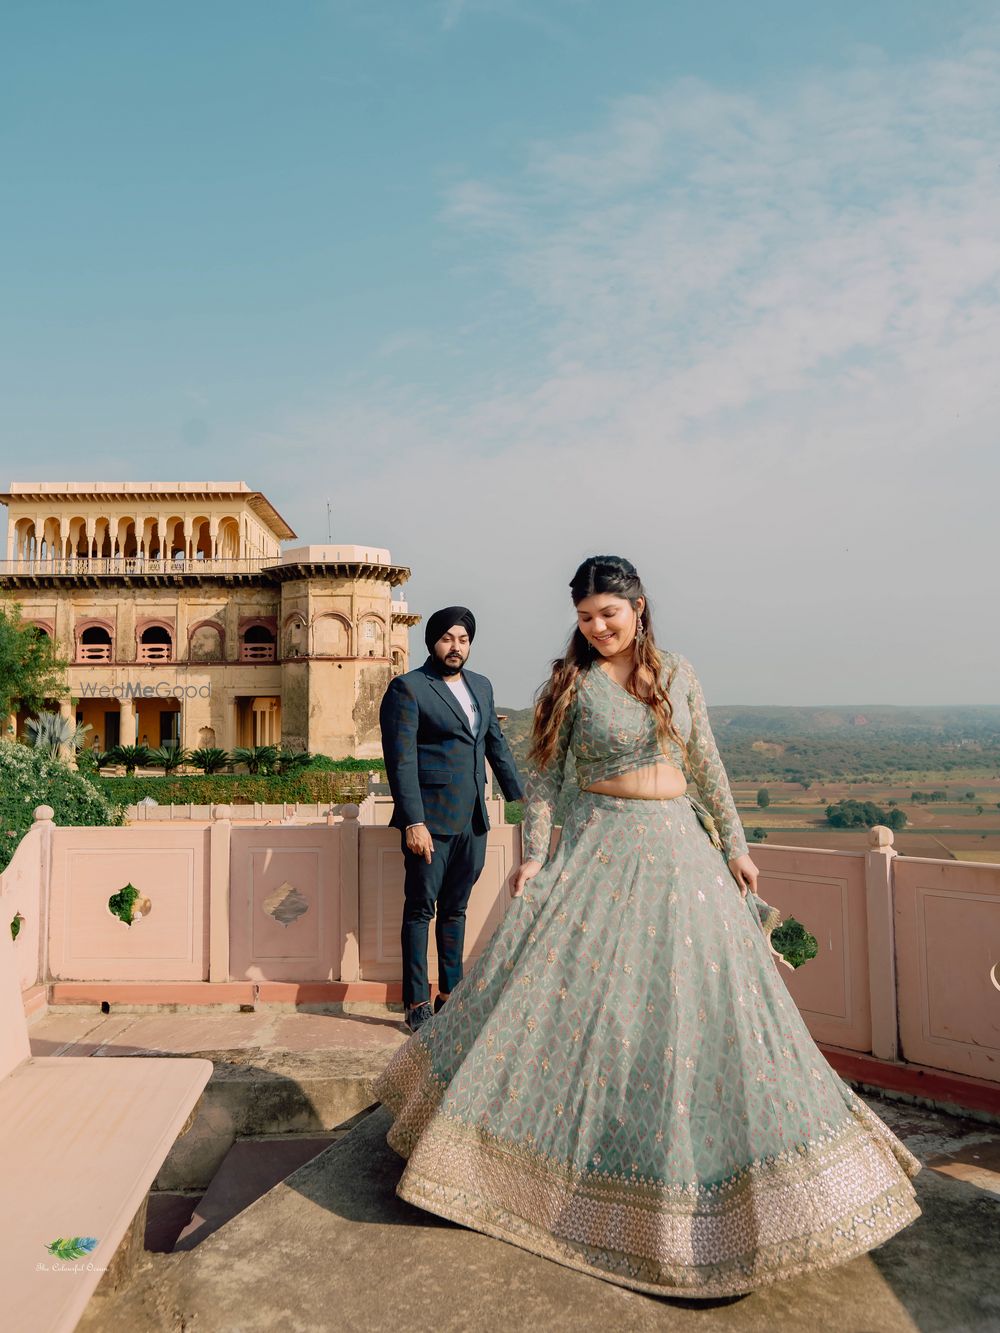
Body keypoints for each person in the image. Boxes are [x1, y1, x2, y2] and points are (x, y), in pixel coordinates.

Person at [374, 557, 920, 1297]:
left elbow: (707, 765)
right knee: (581, 1011)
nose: (599, 627)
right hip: (602, 847)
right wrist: (535, 858)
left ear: (638, 606)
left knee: (704, 1015)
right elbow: (543, 783)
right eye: (587, 615)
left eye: (610, 612)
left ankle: (721, 1207)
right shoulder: (572, 685)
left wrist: (736, 847)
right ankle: (511, 1170)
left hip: (681, 855)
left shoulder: (678, 674)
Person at [380, 606, 525, 1034]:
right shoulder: (408, 688)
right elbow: (400, 760)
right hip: (430, 821)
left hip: (473, 820)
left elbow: (495, 746)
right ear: (432, 643)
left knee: (455, 910)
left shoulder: (480, 685)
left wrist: (524, 798)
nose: (455, 646)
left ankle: (450, 994)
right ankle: (417, 1000)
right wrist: (412, 822)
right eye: (447, 639)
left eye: (462, 639)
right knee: (421, 909)